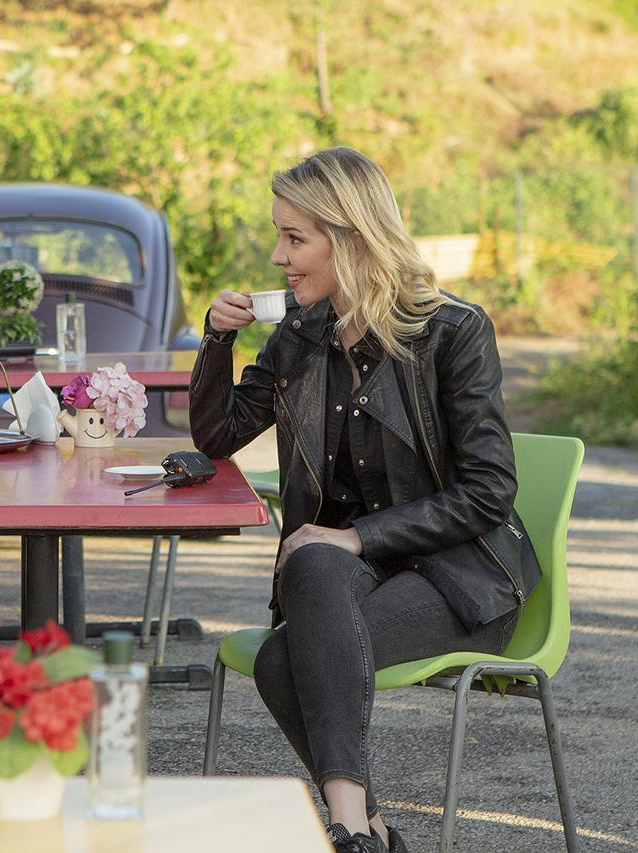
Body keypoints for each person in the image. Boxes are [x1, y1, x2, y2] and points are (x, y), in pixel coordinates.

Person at [189, 147, 541, 853]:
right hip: (345, 580)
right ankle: (361, 828)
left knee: (283, 657)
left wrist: (355, 537)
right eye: (280, 236)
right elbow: (219, 435)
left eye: (295, 239)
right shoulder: (300, 332)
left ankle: (357, 829)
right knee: (310, 560)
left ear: (349, 238)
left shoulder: (452, 331)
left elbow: (489, 491)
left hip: (459, 575)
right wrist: (217, 339)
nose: (278, 257)